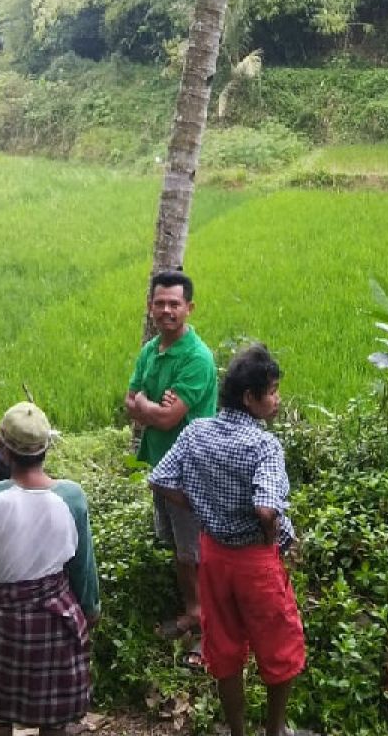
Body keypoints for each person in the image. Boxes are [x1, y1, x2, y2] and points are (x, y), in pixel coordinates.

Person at [148, 344, 307, 736]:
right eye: (271, 391)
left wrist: (202, 508)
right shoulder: (264, 445)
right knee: (279, 643)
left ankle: (237, 730)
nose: (277, 399)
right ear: (250, 398)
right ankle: (275, 729)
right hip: (255, 559)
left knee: (225, 645)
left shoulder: (197, 431)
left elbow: (160, 479)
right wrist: (273, 543)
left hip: (214, 555)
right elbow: (267, 509)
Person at [0, 402, 100, 736]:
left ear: (4, 452)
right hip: (57, 617)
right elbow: (83, 568)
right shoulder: (72, 496)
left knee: (0, 713)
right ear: (46, 449)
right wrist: (91, 611)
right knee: (53, 717)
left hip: (7, 619)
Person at [125, 270, 217, 644]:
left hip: (190, 470)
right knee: (176, 543)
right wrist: (149, 406)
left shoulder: (196, 358)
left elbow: (166, 416)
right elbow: (130, 402)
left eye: (174, 304)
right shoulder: (151, 350)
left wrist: (148, 406)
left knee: (191, 549)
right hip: (161, 466)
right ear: (150, 307)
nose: (166, 310)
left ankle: (200, 617)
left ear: (189, 308)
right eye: (160, 303)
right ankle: (194, 607)